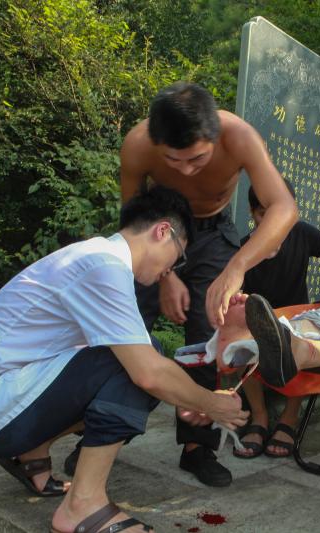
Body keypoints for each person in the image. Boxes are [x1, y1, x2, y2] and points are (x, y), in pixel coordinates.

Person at [0, 186, 249, 533]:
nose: (171, 270)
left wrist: (185, 395)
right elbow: (148, 373)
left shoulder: (94, 257)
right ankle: (82, 504)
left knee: (141, 357)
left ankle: (31, 451)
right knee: (138, 360)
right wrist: (211, 403)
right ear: (162, 231)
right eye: (177, 258)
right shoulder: (102, 266)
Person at [119, 82, 297, 487]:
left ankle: (198, 446)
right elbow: (131, 219)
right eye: (173, 161)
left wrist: (237, 267)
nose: (184, 170)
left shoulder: (239, 136)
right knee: (124, 325)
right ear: (155, 142)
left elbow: (283, 207)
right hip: (156, 232)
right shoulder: (137, 144)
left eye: (196, 158)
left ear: (214, 134)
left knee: (209, 329)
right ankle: (100, 434)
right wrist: (167, 275)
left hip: (215, 233)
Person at [235, 181, 320, 459]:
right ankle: (260, 417)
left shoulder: (301, 233)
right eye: (262, 214)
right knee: (240, 339)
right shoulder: (244, 249)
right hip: (259, 323)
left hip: (298, 321)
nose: (272, 222)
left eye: (279, 213)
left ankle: (289, 419)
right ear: (252, 213)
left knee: (305, 342)